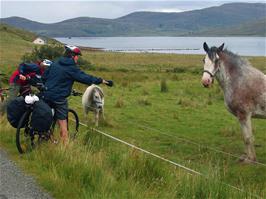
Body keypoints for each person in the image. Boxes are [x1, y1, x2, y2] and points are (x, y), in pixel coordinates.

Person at [42, 45, 113, 144]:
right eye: (77, 56)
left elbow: (44, 77)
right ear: (72, 56)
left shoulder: (55, 62)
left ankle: (47, 135)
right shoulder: (72, 68)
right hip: (59, 98)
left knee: (48, 114)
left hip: (45, 93)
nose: (77, 59)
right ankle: (65, 147)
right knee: (63, 122)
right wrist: (102, 80)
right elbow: (86, 78)